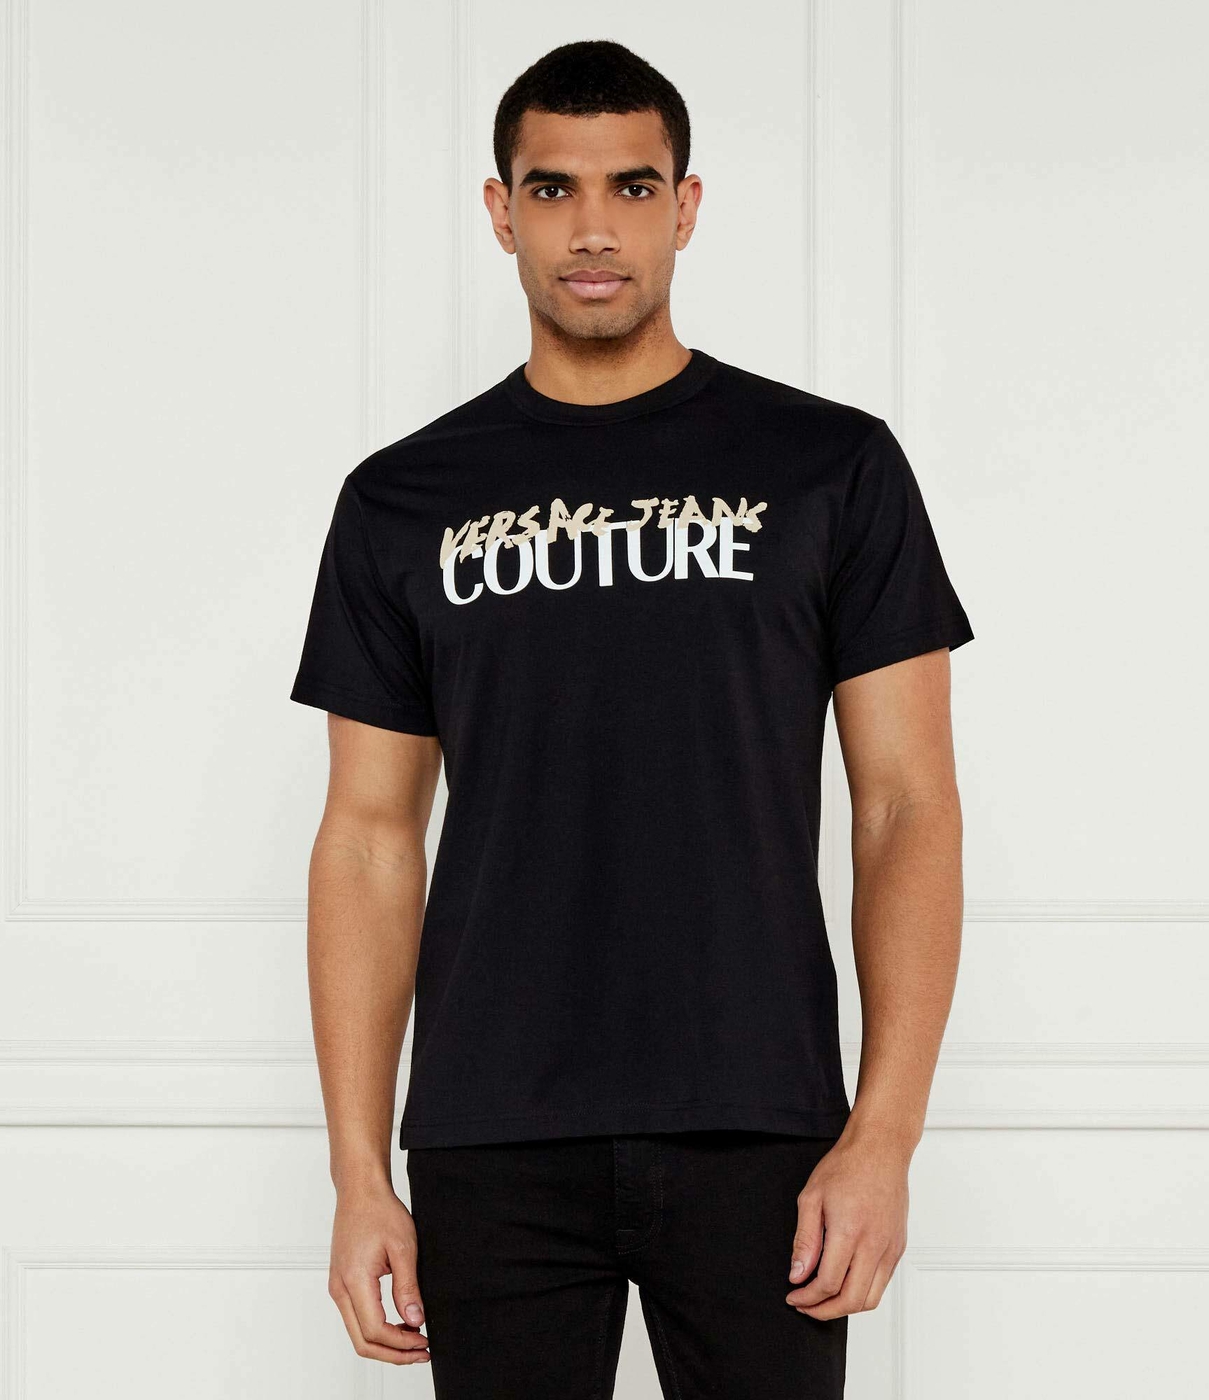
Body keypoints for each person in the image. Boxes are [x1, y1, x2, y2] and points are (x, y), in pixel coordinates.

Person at [288, 38, 972, 1400]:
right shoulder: (402, 499)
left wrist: (882, 1136)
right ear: (501, 212)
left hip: (760, 1121)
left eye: (631, 187)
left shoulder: (828, 466)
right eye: (552, 189)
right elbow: (367, 839)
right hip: (491, 1132)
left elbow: (906, 806)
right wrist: (359, 1176)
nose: (592, 229)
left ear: (686, 206)